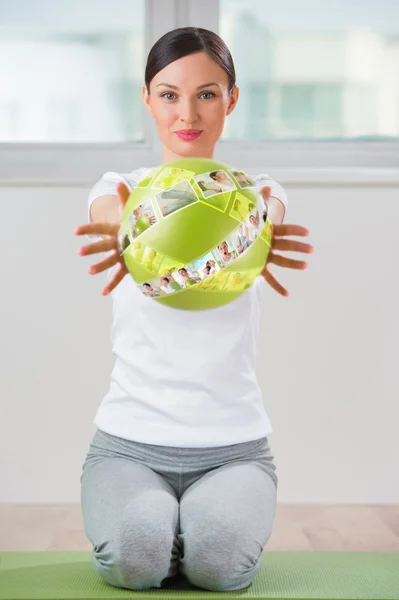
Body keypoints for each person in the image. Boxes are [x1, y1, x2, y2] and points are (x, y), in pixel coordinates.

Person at [74, 26, 313, 593]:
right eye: (169, 94)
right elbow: (108, 207)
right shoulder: (123, 189)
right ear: (147, 98)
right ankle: (158, 530)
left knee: (221, 566)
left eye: (207, 93)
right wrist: (123, 229)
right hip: (127, 445)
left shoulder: (256, 194)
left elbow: (268, 211)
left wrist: (256, 232)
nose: (188, 113)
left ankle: (191, 531)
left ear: (231, 99)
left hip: (234, 451)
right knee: (135, 556)